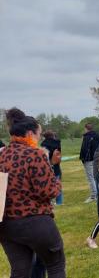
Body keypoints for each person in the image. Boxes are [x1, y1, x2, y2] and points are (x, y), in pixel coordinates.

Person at [0, 108, 65, 277]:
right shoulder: (35, 154)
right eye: (39, 134)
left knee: (20, 271)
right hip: (35, 221)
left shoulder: (3, 155)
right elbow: (47, 191)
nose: (40, 138)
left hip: (7, 224)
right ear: (30, 133)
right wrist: (57, 184)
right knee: (55, 265)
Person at [79, 123, 99, 203]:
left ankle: (93, 195)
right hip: (97, 158)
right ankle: (98, 193)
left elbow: (85, 149)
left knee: (90, 177)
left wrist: (83, 158)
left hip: (89, 160)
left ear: (86, 128)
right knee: (96, 176)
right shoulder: (97, 136)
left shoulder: (87, 137)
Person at [41, 130, 63, 205]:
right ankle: (59, 202)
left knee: (49, 184)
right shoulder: (57, 143)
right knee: (58, 182)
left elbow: (44, 156)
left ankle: (51, 201)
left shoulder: (44, 144)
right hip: (56, 164)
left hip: (48, 165)